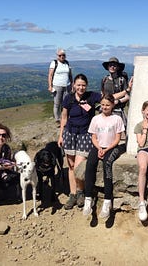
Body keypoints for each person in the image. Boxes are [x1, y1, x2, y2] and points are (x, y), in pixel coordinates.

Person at [58, 73, 102, 210]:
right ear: (74, 85)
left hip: (85, 135)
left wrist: (127, 91)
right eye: (78, 85)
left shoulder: (91, 96)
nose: (81, 87)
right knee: (70, 166)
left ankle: (80, 191)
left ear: (86, 86)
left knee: (78, 167)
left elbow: (109, 98)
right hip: (70, 134)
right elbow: (64, 118)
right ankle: (73, 195)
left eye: (83, 85)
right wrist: (61, 136)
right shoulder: (68, 98)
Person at [83, 94, 125, 219]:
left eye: (107, 105)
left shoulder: (117, 119)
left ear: (112, 105)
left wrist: (107, 149)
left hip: (111, 147)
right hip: (98, 147)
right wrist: (99, 148)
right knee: (90, 165)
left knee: (107, 165)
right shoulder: (96, 119)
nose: (105, 107)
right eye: (103, 105)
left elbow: (118, 138)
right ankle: (88, 199)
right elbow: (93, 137)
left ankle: (107, 201)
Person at [101, 57, 132, 132]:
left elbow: (127, 96)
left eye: (114, 65)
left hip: (118, 110)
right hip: (106, 110)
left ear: (118, 67)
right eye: (110, 65)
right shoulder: (104, 80)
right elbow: (102, 94)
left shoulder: (122, 80)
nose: (112, 67)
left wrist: (118, 101)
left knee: (119, 131)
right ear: (108, 67)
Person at [48, 48, 73, 127]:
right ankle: (57, 119)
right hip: (57, 85)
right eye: (60, 55)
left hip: (67, 85)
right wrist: (50, 86)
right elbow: (50, 75)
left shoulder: (67, 63)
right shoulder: (54, 63)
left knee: (65, 103)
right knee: (57, 103)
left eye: (63, 55)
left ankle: (64, 117)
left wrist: (72, 84)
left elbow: (70, 75)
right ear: (57, 56)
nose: (62, 56)